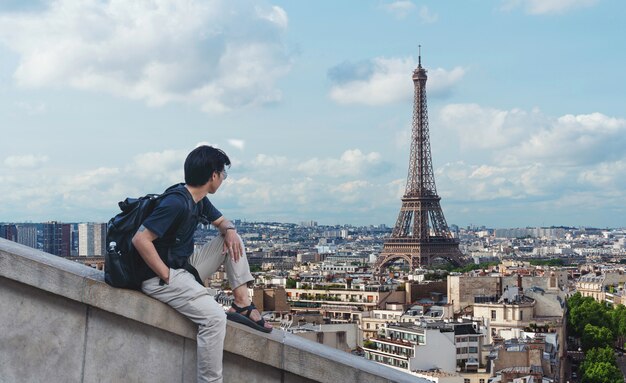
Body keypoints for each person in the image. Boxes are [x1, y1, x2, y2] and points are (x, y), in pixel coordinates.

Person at [132, 145, 272, 383]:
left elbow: (223, 222)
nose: (223, 179)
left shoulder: (198, 199)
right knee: (214, 319)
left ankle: (241, 303)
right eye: (223, 174)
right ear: (213, 176)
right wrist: (167, 275)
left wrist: (228, 230)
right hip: (159, 277)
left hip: (183, 267)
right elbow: (140, 239)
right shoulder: (176, 203)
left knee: (232, 240)